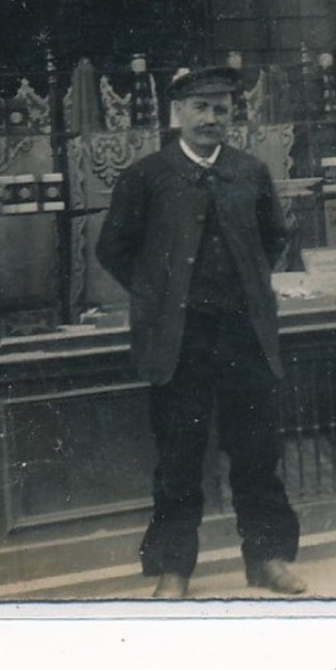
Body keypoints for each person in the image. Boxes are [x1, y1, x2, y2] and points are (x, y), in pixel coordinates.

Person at [96, 65, 305, 598]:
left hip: (244, 336)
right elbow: (113, 250)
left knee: (257, 454)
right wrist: (160, 297)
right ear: (178, 114)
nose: (212, 118)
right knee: (179, 458)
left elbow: (273, 241)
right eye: (201, 108)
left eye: (222, 108)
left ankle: (267, 560)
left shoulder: (250, 172)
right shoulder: (146, 177)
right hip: (179, 341)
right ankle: (174, 569)